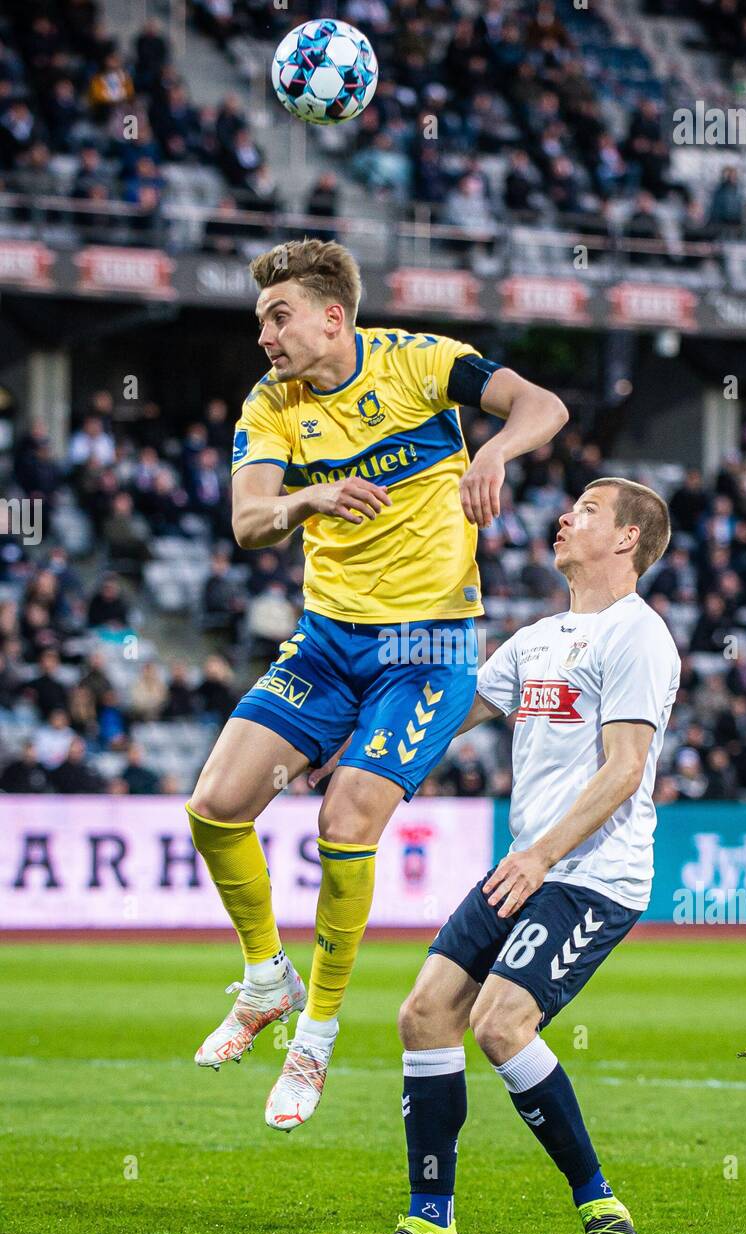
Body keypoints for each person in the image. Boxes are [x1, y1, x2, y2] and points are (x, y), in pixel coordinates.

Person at [186, 238, 568, 1133]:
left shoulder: (420, 363)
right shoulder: (271, 403)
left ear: (333, 315)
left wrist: (494, 453)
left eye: (278, 318)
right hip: (326, 642)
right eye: (259, 321)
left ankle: (315, 1034)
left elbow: (541, 405)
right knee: (214, 805)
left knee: (343, 820)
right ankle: (264, 977)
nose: (266, 337)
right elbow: (247, 521)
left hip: (428, 649)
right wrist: (304, 503)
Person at [346, 478, 680, 1234]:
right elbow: (451, 714)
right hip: (528, 865)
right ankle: (430, 1225)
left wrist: (539, 856)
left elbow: (624, 770)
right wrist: (358, 744)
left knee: (498, 1024)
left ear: (627, 539)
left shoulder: (639, 636)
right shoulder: (536, 637)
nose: (565, 517)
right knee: (424, 1014)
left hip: (593, 875)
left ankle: (602, 1210)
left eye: (588, 510)